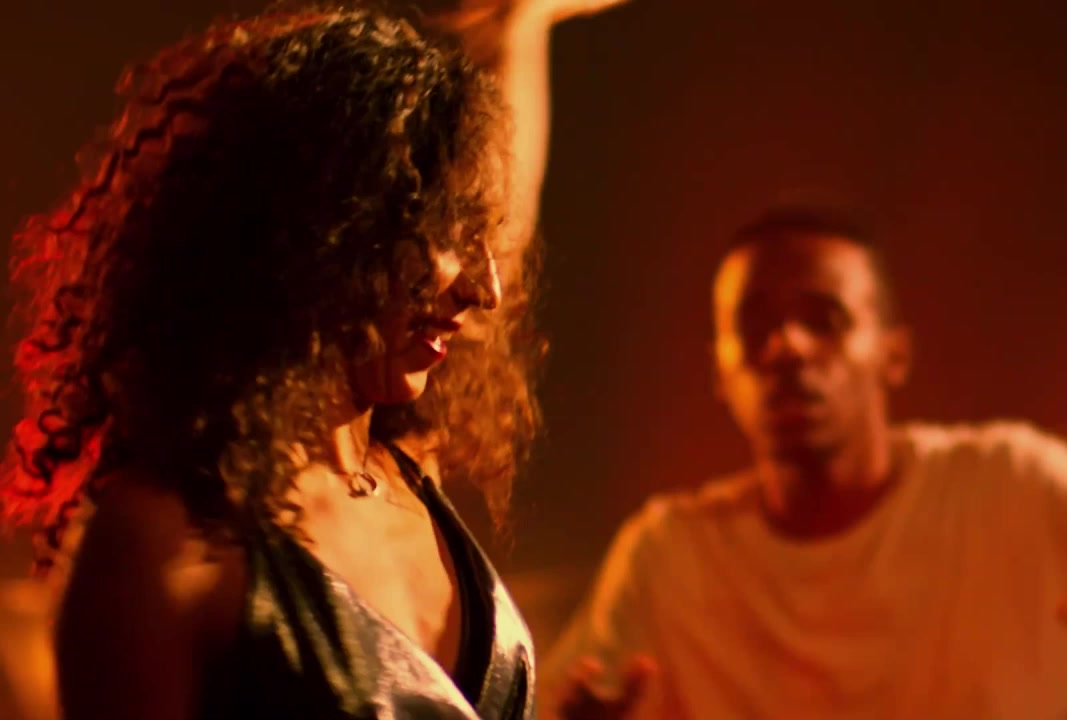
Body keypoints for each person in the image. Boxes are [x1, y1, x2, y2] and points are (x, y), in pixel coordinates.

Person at [0, 2, 620, 718]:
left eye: (484, 236)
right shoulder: (163, 544)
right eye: (451, 233)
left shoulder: (405, 461)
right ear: (325, 234)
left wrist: (519, 32)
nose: (487, 289)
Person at [541, 207, 1067, 719]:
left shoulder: (1015, 477)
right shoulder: (666, 554)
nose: (788, 346)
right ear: (719, 371)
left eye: (824, 319)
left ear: (893, 353)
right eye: (755, 324)